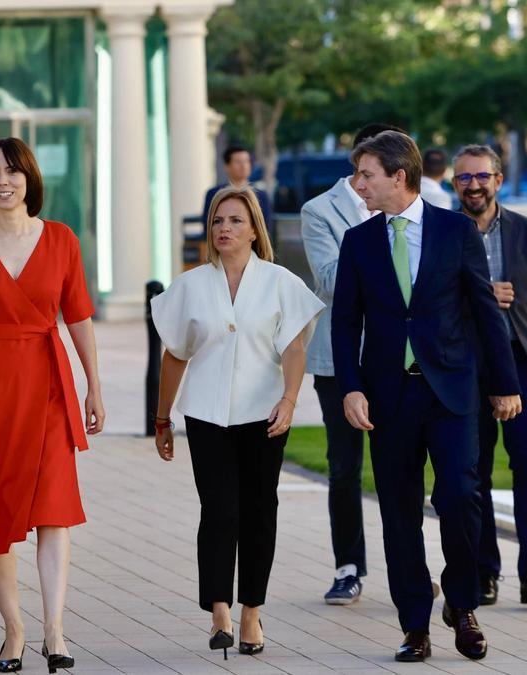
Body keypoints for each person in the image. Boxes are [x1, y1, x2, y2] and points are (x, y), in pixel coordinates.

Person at [330, 131, 521, 663]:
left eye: (366, 174)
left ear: (399, 176)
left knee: (461, 496)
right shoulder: (359, 241)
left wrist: (504, 383)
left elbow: (485, 310)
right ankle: (414, 623)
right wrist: (351, 387)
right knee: (398, 512)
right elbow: (345, 325)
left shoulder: (455, 232)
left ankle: (462, 605)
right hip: (388, 397)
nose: (357, 184)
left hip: (452, 392)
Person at [0, 137, 104, 674]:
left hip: (49, 384)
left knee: (54, 510)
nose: (2, 181)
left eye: (12, 171)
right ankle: (14, 630)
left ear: (30, 178)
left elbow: (78, 316)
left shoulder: (62, 240)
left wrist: (93, 384)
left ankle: (54, 630)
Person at [152, 186, 323, 660]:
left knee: (258, 513)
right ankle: (219, 611)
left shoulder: (279, 282)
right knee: (220, 511)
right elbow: (175, 355)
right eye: (217, 221)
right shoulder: (189, 287)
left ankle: (252, 611)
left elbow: (294, 348)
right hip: (207, 415)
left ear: (254, 231)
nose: (224, 229)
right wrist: (162, 418)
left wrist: (290, 400)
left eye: (234, 221)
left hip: (264, 414)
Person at [452, 144, 527, 607]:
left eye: (482, 176)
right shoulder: (441, 231)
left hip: (524, 362)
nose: (474, 185)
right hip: (467, 366)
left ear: (498, 180)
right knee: (473, 471)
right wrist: (479, 295)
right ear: (454, 184)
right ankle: (484, 574)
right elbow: (427, 301)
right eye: (464, 178)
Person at [300, 122, 402, 606]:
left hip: (397, 358)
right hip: (338, 359)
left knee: (402, 464)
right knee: (344, 467)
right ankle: (348, 567)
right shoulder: (320, 211)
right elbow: (330, 280)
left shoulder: (416, 211)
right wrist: (381, 235)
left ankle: (411, 561)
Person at [203, 145, 275, 239]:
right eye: (238, 162)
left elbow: (266, 227)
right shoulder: (214, 194)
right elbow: (207, 226)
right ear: (227, 166)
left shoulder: (261, 195)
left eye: (246, 161)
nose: (243, 165)